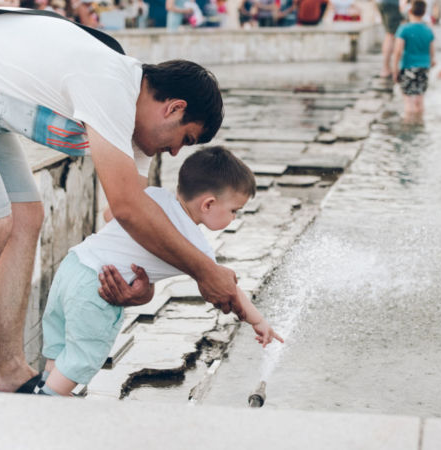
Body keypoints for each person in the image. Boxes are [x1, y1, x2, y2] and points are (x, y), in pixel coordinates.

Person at [0, 9, 241, 393]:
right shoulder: (110, 82)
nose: (178, 153)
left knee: (24, 216)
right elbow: (130, 208)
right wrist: (204, 271)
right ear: (174, 108)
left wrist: (140, 286)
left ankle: (7, 370)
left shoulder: (135, 131)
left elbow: (121, 216)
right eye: (187, 138)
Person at [38, 146, 283, 396]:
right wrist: (258, 321)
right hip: (96, 286)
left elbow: (110, 214)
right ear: (208, 204)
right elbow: (228, 289)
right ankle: (47, 402)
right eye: (234, 210)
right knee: (83, 354)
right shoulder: (195, 244)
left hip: (72, 265)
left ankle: (44, 385)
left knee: (60, 346)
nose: (233, 217)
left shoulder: (152, 195)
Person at [374, 0, 421, 79]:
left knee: (389, 34)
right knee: (393, 35)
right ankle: (387, 69)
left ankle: (386, 67)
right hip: (390, 1)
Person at [392, 0, 435, 124]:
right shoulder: (428, 30)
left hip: (408, 67)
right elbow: (432, 53)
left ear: (410, 11)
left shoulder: (404, 29)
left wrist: (395, 70)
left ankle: (410, 128)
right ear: (424, 12)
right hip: (424, 67)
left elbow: (398, 51)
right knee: (420, 100)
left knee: (409, 101)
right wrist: (430, 63)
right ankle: (420, 124)